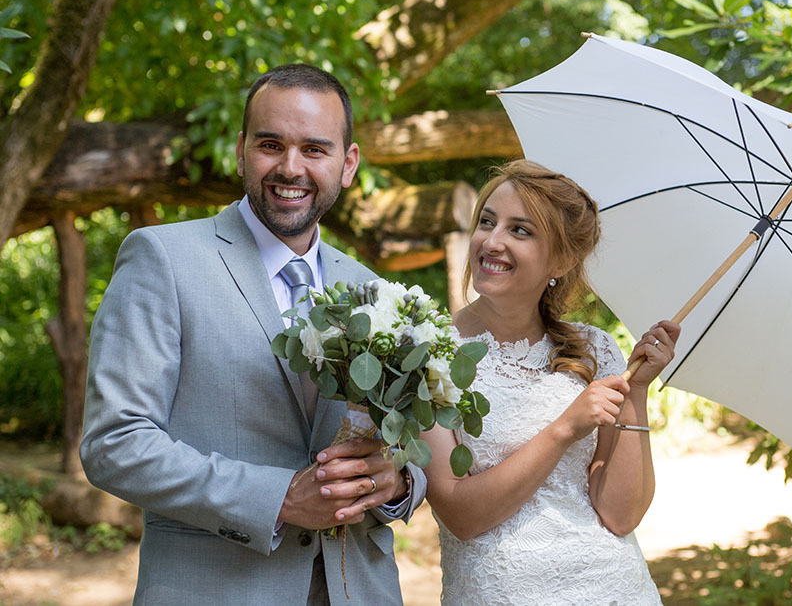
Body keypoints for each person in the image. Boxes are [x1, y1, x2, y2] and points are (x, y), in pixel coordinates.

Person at [80, 64, 426, 605]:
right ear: (241, 150)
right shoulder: (163, 259)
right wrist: (279, 499)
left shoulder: (373, 291)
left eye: (315, 149)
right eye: (271, 144)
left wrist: (398, 483)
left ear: (348, 163)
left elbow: (411, 443)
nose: (291, 168)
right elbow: (115, 444)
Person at [422, 159, 680, 604]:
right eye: (487, 222)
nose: (492, 241)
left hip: (614, 590)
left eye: (520, 231)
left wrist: (636, 392)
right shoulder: (428, 352)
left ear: (562, 259)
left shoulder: (594, 350)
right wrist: (564, 429)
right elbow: (461, 516)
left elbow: (620, 515)